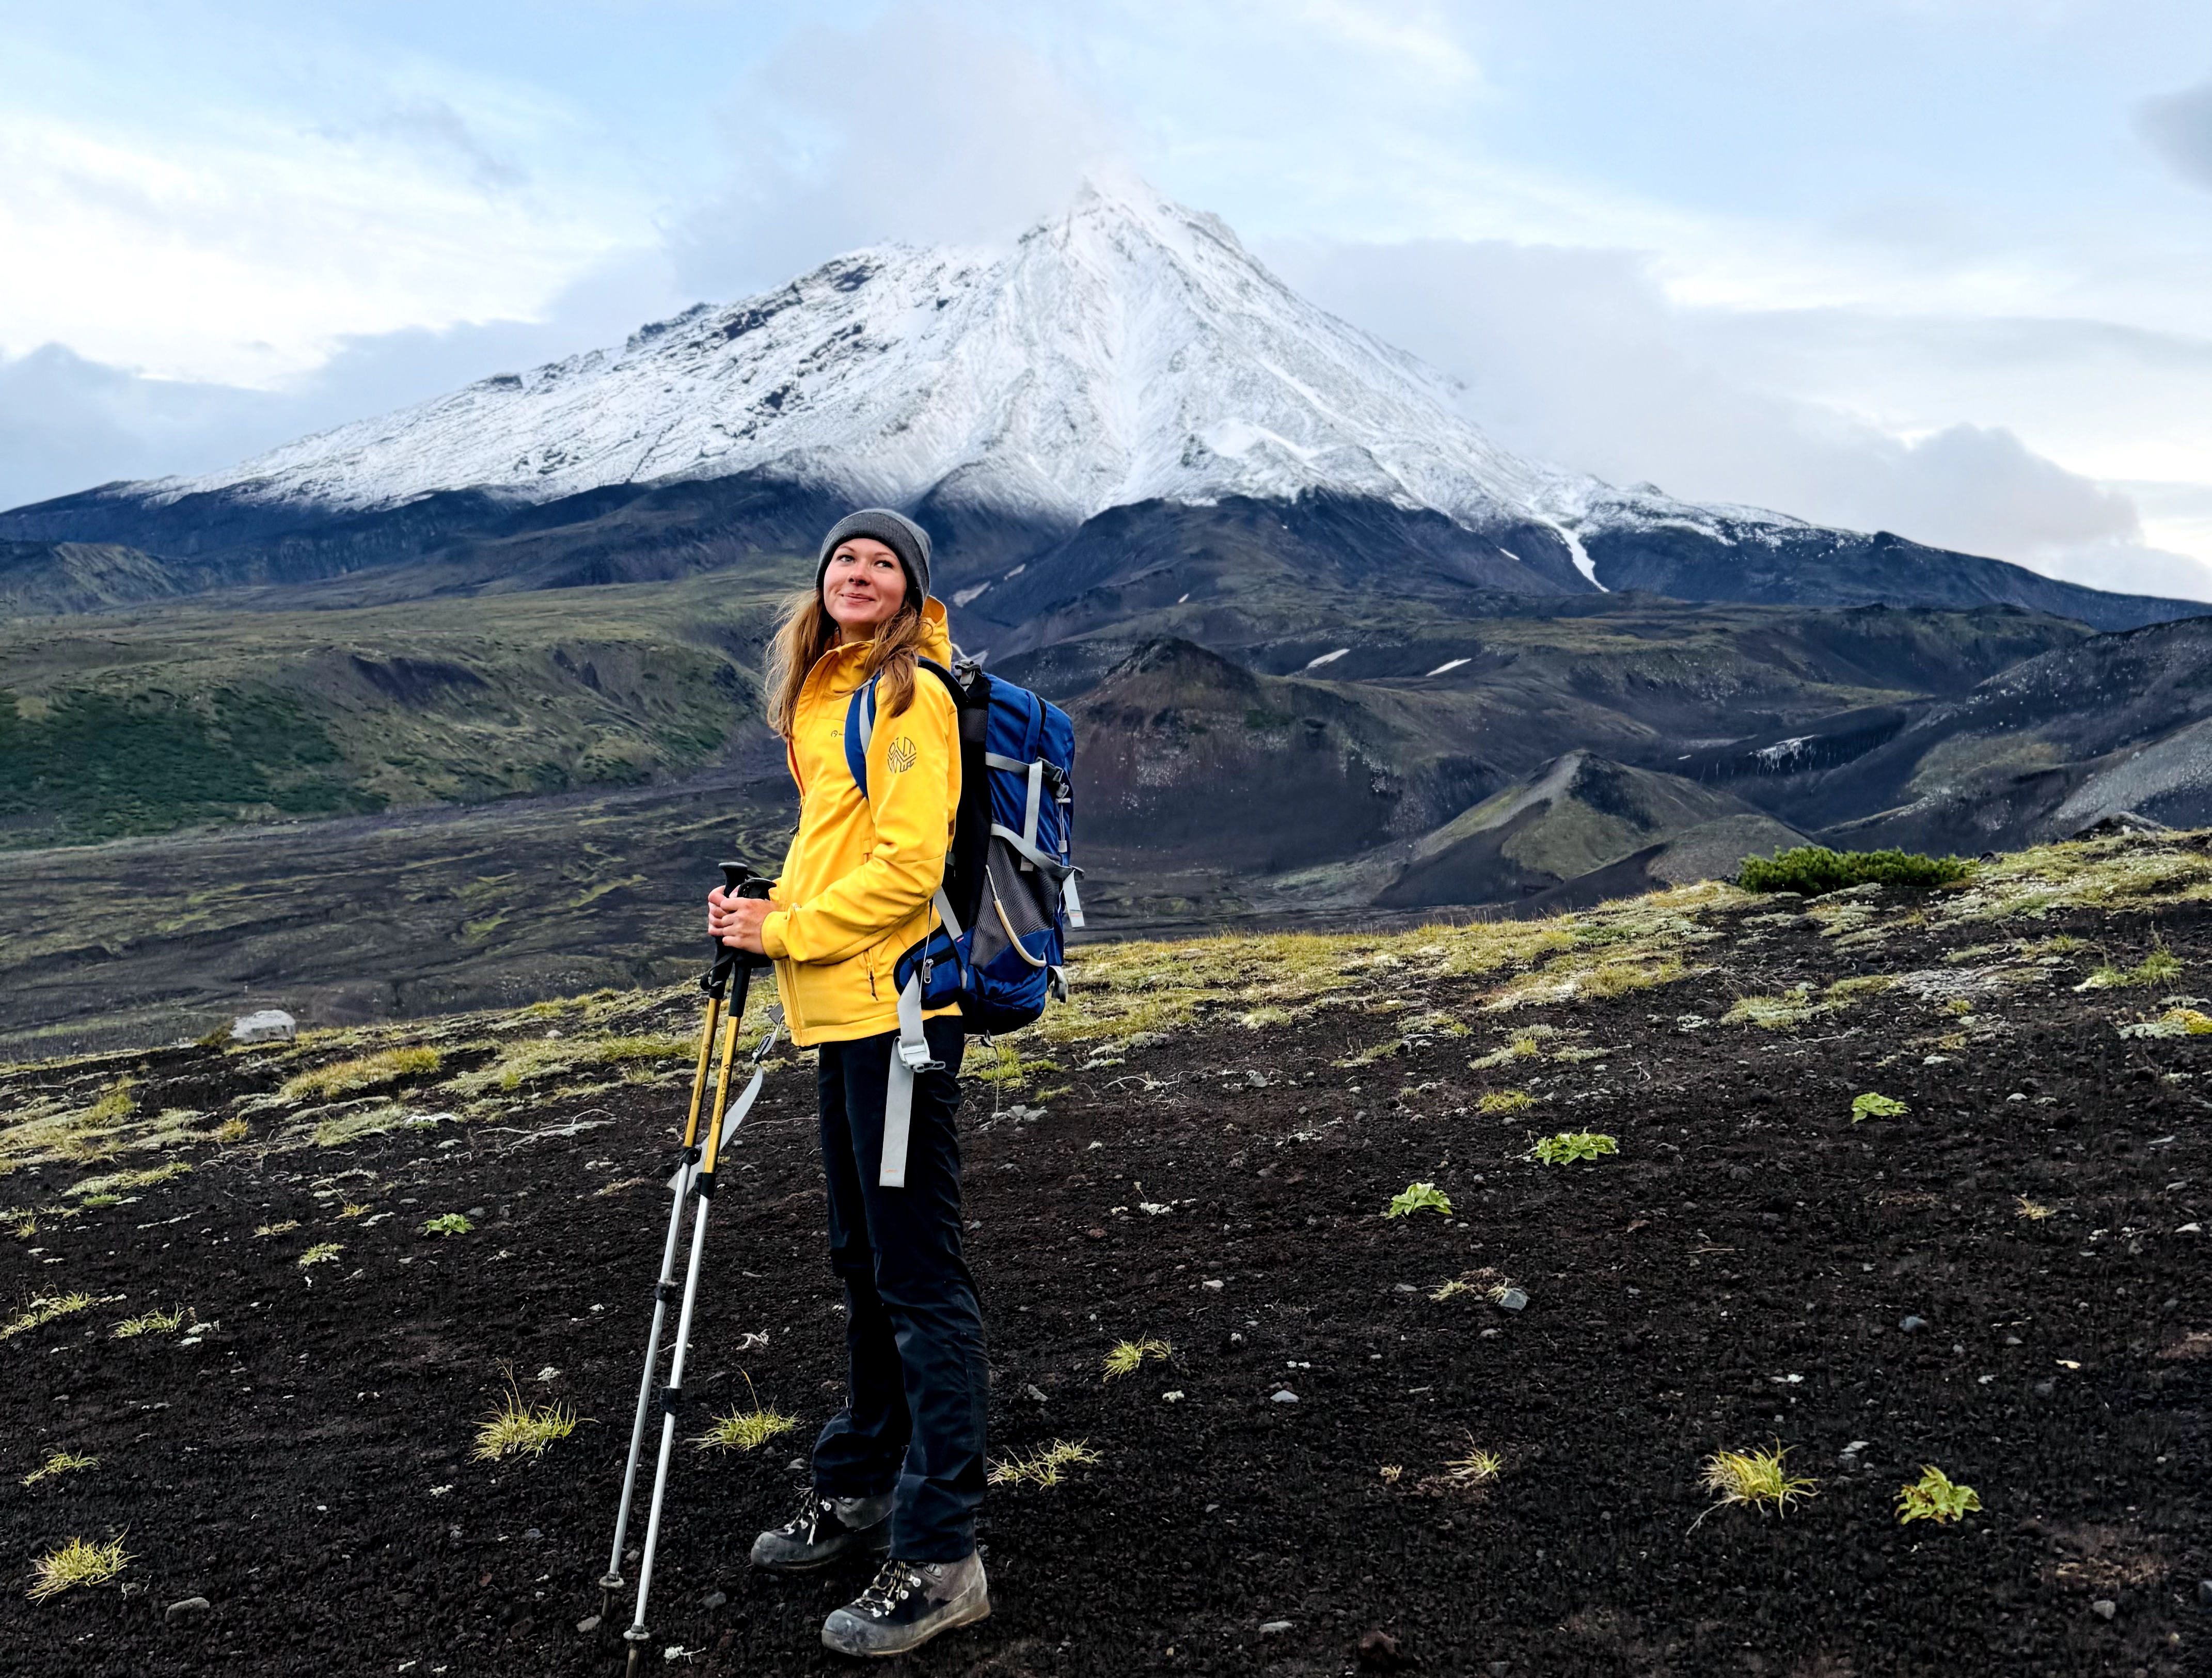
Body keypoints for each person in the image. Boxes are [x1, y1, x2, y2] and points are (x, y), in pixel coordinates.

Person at [706, 508, 989, 1658]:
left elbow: (908, 870)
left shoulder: (911, 693)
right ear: (819, 582)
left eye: (883, 562)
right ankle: (864, 1480)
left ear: (912, 590)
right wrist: (761, 910)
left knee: (918, 1275)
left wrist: (785, 930)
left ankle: (944, 1550)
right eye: (844, 558)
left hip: (903, 1018)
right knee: (862, 1261)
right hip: (845, 1011)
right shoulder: (828, 693)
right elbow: (838, 843)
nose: (858, 572)